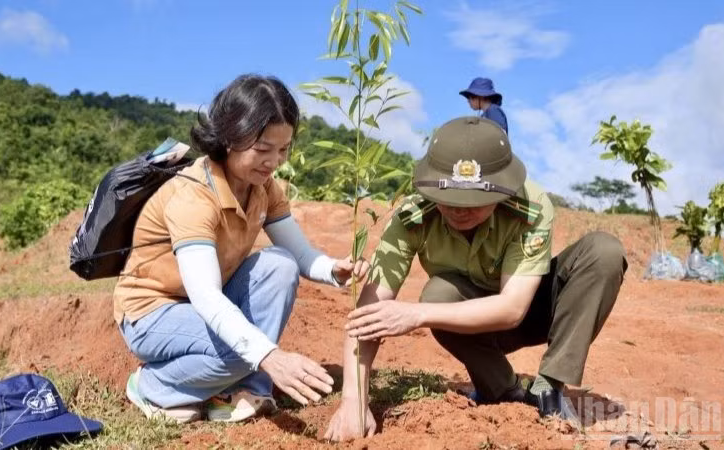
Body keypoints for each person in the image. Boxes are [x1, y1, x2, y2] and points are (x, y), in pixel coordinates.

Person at [325, 116, 628, 441]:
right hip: (467, 325)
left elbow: (513, 309)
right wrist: (353, 401)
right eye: (450, 200)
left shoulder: (531, 206)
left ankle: (548, 387)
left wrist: (416, 314)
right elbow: (367, 312)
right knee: (438, 294)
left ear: (502, 191)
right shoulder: (412, 217)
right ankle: (501, 390)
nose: (460, 211)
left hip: (530, 310)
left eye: (474, 202)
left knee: (603, 251)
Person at [113, 74, 369, 424]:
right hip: (151, 312)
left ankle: (237, 389)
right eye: (262, 149)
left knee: (280, 265)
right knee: (245, 347)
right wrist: (269, 356)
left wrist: (332, 269)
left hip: (199, 306)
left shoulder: (263, 188)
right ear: (229, 138)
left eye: (283, 149)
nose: (274, 161)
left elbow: (299, 255)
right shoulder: (194, 196)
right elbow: (206, 296)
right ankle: (153, 385)